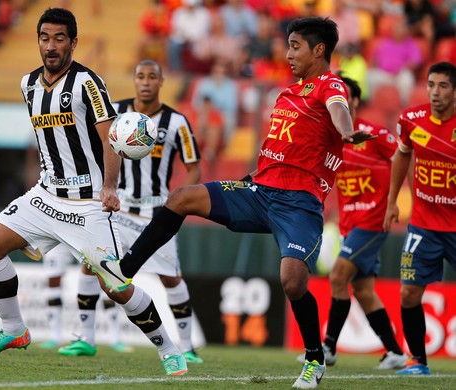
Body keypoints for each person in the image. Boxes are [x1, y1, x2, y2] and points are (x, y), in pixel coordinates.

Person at [83, 17, 375, 389]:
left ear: (319, 50)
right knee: (182, 197)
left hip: (299, 204)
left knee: (293, 281)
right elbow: (279, 151)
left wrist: (347, 132)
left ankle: (315, 359)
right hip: (260, 191)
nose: (287, 54)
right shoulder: (287, 95)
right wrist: (250, 179)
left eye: (296, 47)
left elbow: (338, 110)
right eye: (288, 46)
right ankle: (124, 269)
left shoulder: (330, 85)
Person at [0, 7, 188, 377]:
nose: (51, 46)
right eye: (44, 38)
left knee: (117, 287)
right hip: (44, 196)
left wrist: (108, 187)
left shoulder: (88, 83)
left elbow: (111, 139)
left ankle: (168, 347)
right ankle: (14, 330)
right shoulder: (27, 85)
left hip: (86, 205)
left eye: (58, 38)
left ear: (73, 41)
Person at [57, 59, 204, 364]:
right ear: (134, 80)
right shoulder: (114, 113)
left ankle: (187, 346)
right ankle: (85, 338)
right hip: (118, 207)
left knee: (171, 278)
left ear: (161, 81)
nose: (146, 82)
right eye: (140, 76)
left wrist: (178, 203)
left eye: (152, 76)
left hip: (156, 212)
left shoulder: (176, 122)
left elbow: (194, 167)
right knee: (92, 264)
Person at [295, 76, 408, 369]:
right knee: (363, 292)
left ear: (355, 102)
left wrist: (394, 201)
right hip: (349, 223)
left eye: (346, 97)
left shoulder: (373, 134)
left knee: (337, 276)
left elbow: (402, 158)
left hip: (373, 220)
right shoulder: (330, 137)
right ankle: (395, 351)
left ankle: (328, 347)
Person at [383, 61, 456, 376]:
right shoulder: (411, 120)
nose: (435, 92)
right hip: (424, 225)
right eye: (430, 85)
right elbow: (401, 154)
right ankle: (417, 362)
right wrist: (392, 201)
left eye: (443, 86)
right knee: (409, 292)